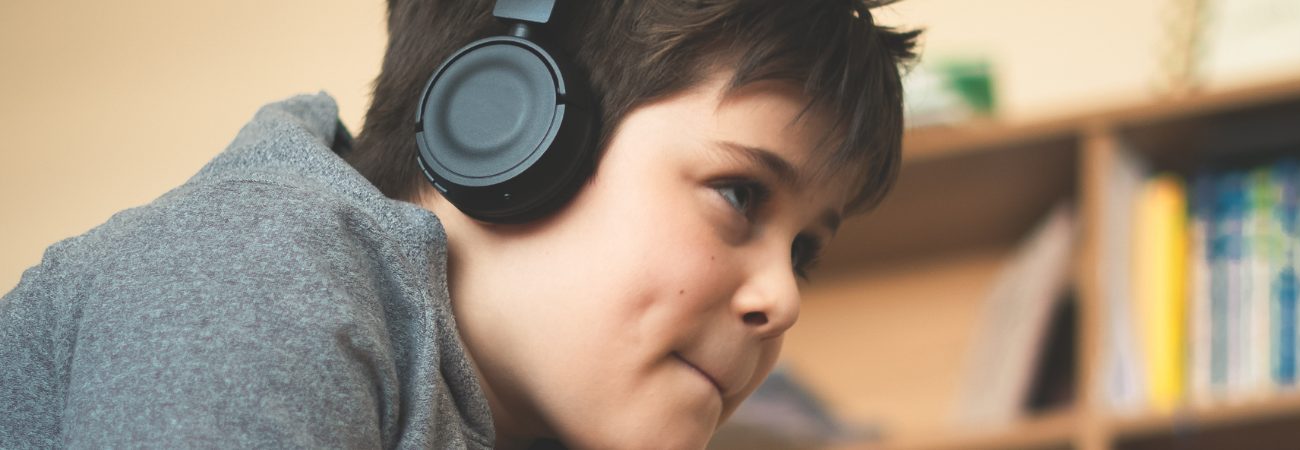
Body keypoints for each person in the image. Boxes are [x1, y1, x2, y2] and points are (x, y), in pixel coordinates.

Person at [0, 0, 918, 448]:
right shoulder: (255, 277)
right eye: (741, 195)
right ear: (509, 127)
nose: (784, 298)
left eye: (807, 249)